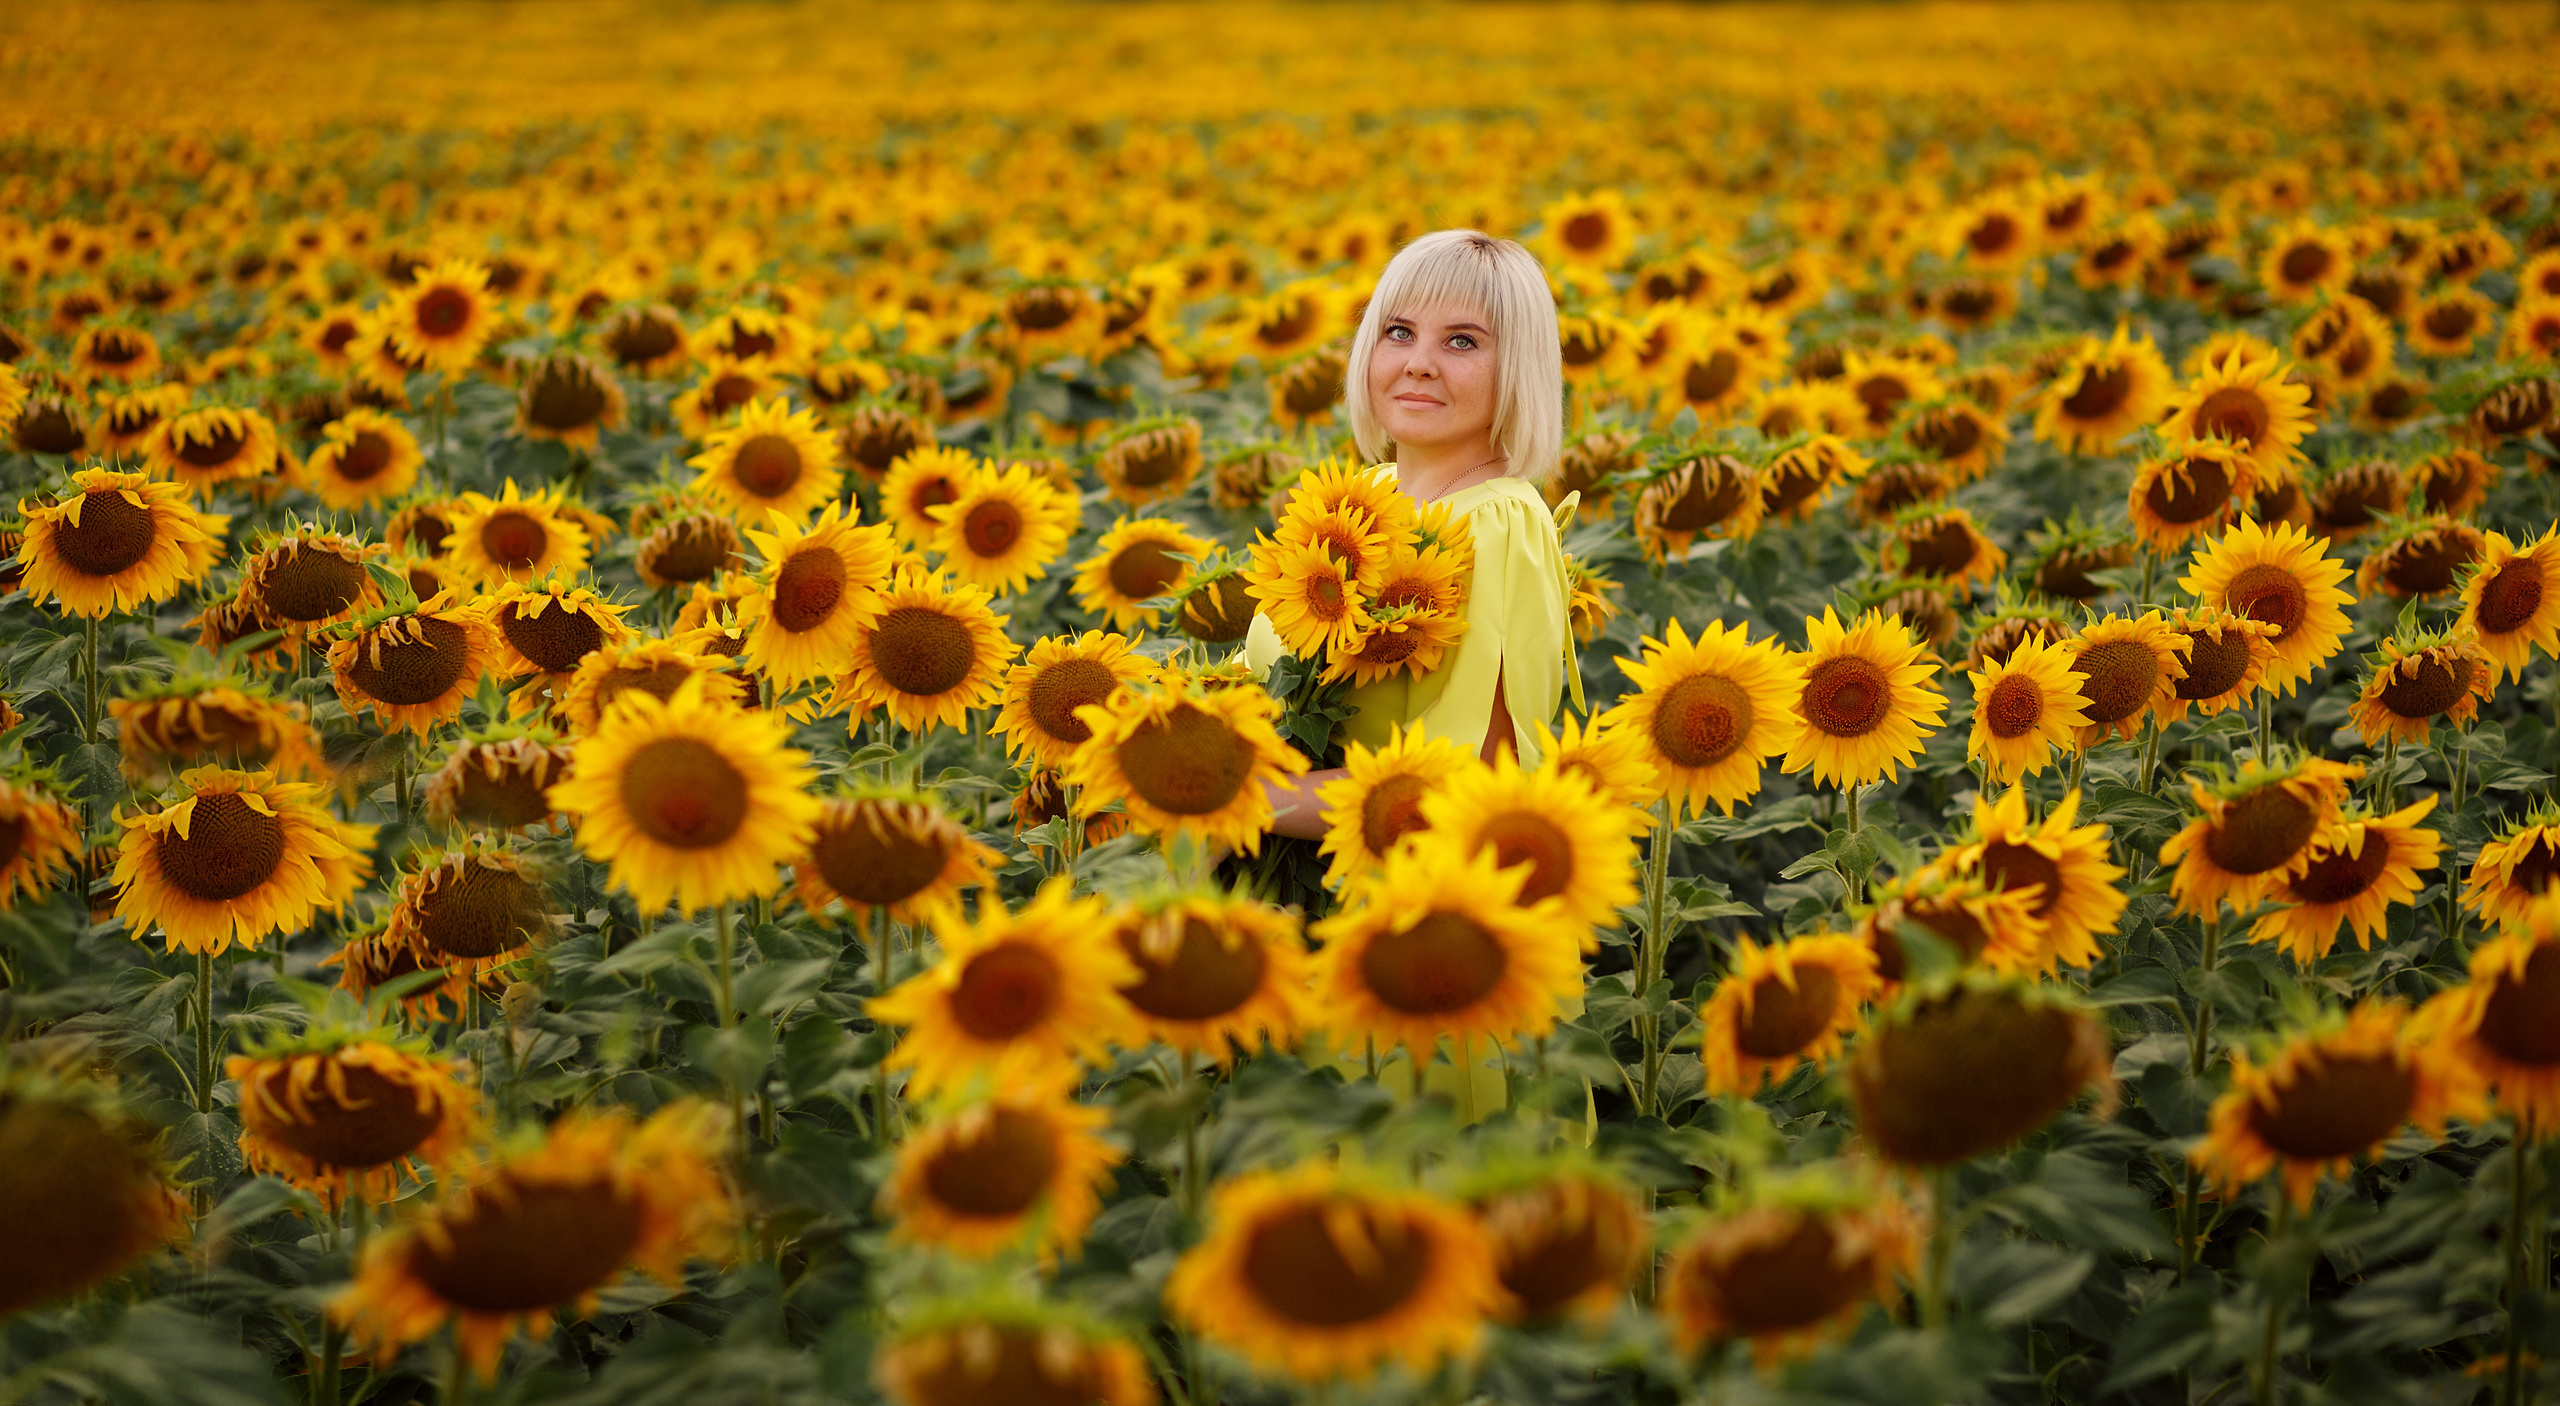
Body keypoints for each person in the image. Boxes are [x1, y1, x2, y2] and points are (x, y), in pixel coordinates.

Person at [1245, 229, 1570, 841]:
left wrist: (1233, 801)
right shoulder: (1361, 499)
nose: (1419, 361)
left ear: (1517, 367)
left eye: (1462, 341)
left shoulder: (1499, 525)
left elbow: (1469, 781)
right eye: (1399, 332)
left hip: (1398, 887)